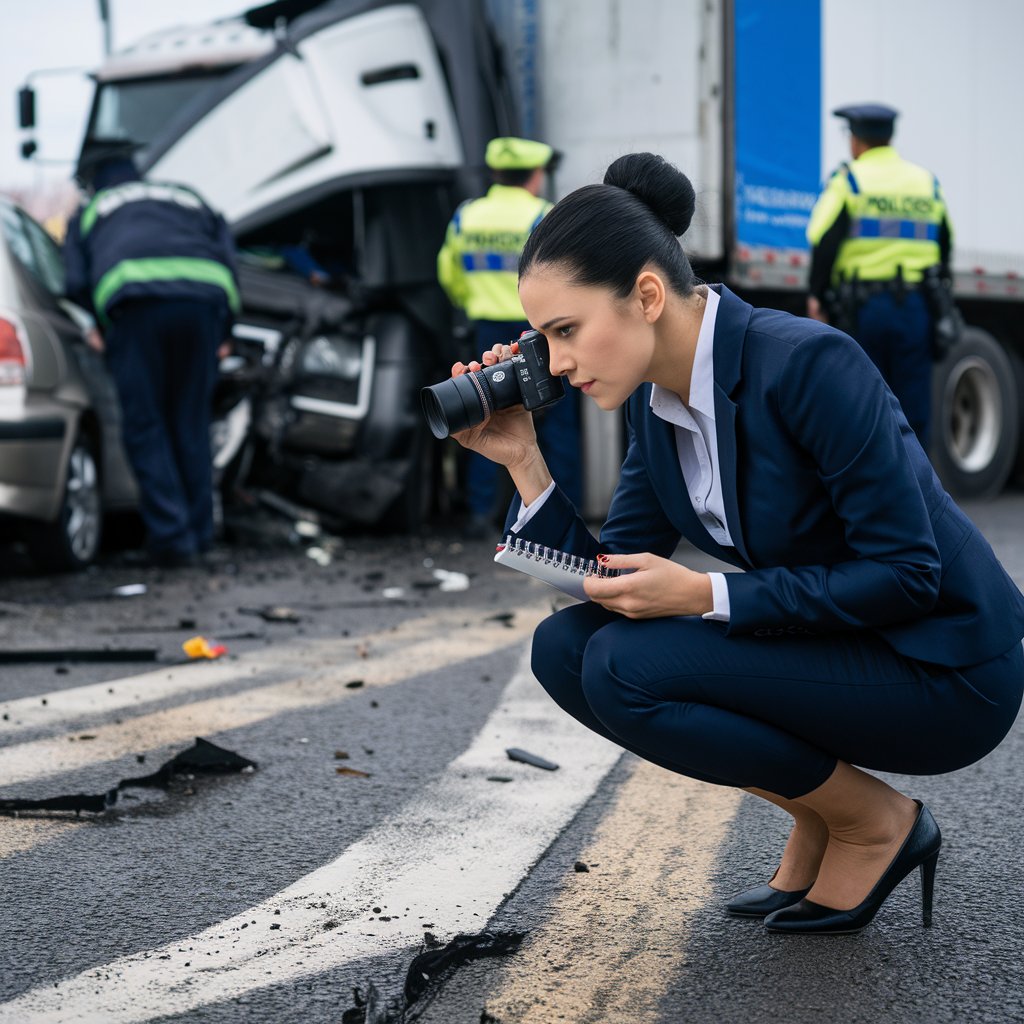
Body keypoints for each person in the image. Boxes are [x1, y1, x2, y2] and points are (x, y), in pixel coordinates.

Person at [450, 153, 1024, 934]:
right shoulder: (654, 408)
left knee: (627, 668)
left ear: (646, 294)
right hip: (840, 645)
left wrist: (706, 595)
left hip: (945, 663)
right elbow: (606, 577)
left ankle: (874, 823)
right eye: (543, 340)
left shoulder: (810, 364)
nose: (554, 364)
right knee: (568, 648)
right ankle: (822, 816)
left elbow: (907, 575)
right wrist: (522, 458)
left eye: (565, 332)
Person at [63, 147, 240, 567]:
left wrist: (99, 327)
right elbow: (227, 255)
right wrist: (225, 329)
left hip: (137, 307)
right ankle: (200, 535)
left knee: (146, 425)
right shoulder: (184, 195)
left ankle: (171, 541)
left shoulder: (91, 211)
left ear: (94, 182)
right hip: (202, 304)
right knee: (190, 423)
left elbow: (74, 281)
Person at [437, 136, 582, 536]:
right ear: (535, 176)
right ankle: (564, 511)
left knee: (487, 416)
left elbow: (449, 274)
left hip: (486, 331)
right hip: (536, 333)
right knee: (555, 423)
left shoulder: (467, 216)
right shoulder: (543, 215)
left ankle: (482, 514)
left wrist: (475, 300)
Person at [806, 104, 953, 451]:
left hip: (864, 309)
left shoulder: (850, 181)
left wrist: (816, 295)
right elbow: (944, 243)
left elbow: (823, 241)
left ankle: (875, 492)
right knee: (914, 406)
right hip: (917, 306)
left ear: (856, 141)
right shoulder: (925, 182)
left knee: (865, 402)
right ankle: (921, 494)